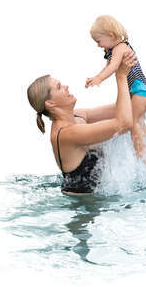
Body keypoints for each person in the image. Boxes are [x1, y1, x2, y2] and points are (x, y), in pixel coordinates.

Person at [27, 51, 136, 196]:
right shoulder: (67, 134)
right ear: (50, 103)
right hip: (83, 206)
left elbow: (126, 108)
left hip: (96, 200)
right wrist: (120, 77)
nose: (66, 86)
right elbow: (124, 123)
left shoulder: (78, 116)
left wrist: (121, 68)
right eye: (59, 87)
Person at [85, 15, 146, 159]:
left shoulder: (120, 47)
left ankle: (141, 158)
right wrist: (99, 76)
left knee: (132, 122)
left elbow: (113, 67)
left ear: (110, 35)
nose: (98, 45)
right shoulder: (112, 50)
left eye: (98, 41)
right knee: (139, 121)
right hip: (138, 92)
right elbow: (108, 67)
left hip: (141, 91)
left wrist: (99, 78)